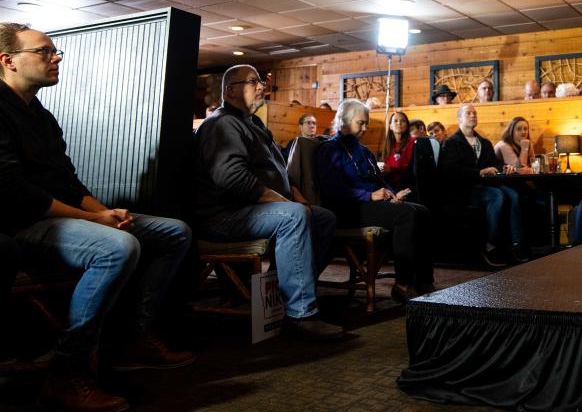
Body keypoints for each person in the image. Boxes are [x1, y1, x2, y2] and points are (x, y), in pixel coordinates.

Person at [0, 23, 193, 412]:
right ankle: (66, 372)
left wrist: (103, 211)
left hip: (55, 218)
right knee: (116, 247)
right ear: (8, 61)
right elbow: (14, 194)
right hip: (17, 226)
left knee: (174, 232)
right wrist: (94, 222)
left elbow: (68, 182)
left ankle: (134, 335)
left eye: (55, 52)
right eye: (43, 51)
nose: (55, 58)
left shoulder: (40, 114)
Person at [194, 65, 341, 340]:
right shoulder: (221, 124)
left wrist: (296, 195)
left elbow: (278, 171)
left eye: (261, 81)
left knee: (323, 218)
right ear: (230, 90)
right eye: (253, 82)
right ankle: (302, 314)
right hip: (223, 216)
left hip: (253, 210)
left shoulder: (253, 124)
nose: (262, 87)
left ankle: (276, 293)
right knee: (293, 216)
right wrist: (284, 201)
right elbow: (233, 180)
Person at [314, 100, 433, 301]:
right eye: (361, 123)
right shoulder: (330, 149)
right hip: (348, 209)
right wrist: (369, 196)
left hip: (372, 204)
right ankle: (402, 284)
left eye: (366, 123)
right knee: (407, 214)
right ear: (344, 121)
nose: (365, 128)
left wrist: (392, 194)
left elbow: (380, 181)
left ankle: (424, 280)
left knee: (422, 211)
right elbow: (333, 189)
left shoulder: (365, 151)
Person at [439, 104, 526, 265]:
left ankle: (516, 244)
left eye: (475, 113)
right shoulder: (451, 142)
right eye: (468, 113)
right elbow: (451, 170)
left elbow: (493, 165)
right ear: (459, 118)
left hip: (486, 185)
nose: (473, 115)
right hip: (464, 189)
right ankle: (490, 244)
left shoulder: (484, 143)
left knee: (514, 195)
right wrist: (478, 172)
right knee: (497, 196)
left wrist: (504, 167)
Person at [383, 111, 416, 188]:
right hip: (390, 185)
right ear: (390, 126)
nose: (399, 123)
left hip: (408, 184)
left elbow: (413, 168)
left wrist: (391, 170)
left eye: (403, 121)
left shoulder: (413, 142)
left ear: (407, 126)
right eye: (395, 121)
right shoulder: (388, 145)